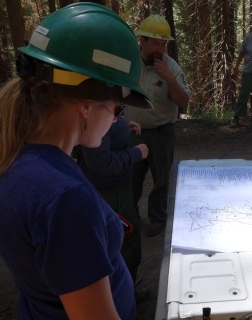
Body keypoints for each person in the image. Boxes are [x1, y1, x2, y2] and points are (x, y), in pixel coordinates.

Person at [0, 3, 153, 319]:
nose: (115, 120)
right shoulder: (65, 198)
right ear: (86, 105)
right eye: (117, 108)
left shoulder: (17, 158)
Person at [123, 15, 191, 237]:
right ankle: (130, 217)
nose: (159, 49)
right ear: (142, 40)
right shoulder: (129, 62)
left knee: (161, 179)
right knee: (131, 177)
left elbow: (184, 103)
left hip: (162, 132)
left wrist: (169, 79)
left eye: (163, 44)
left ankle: (157, 218)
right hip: (132, 132)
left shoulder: (170, 67)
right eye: (155, 42)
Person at [73, 116, 150, 302]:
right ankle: (123, 297)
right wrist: (135, 153)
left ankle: (122, 291)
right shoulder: (97, 110)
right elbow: (101, 162)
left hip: (114, 189)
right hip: (111, 192)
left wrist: (122, 128)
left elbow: (103, 138)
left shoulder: (99, 110)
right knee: (126, 244)